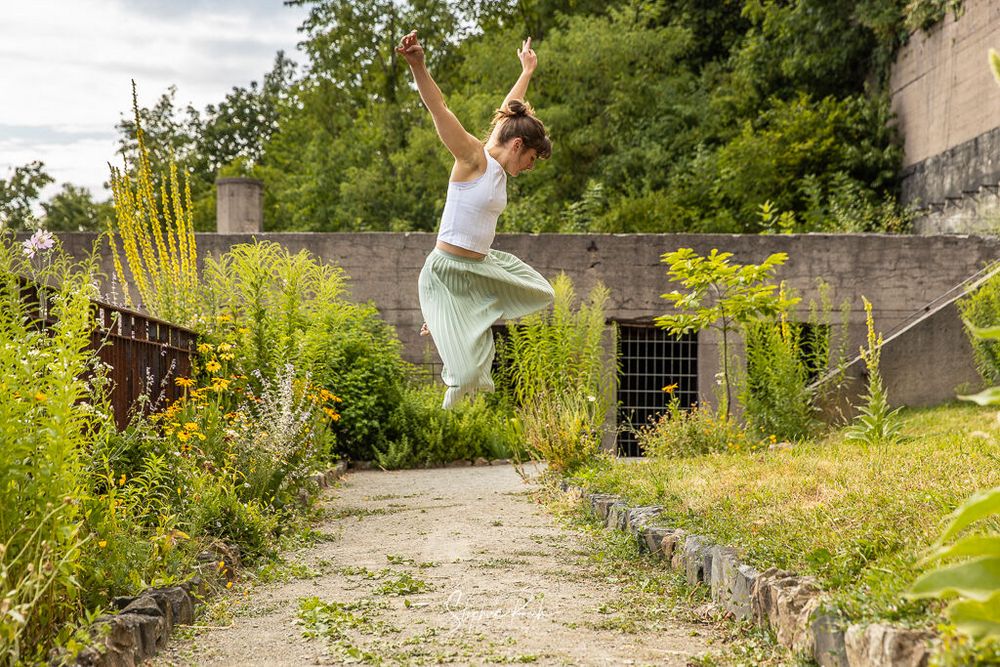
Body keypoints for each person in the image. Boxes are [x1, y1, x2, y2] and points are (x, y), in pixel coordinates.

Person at [396, 30, 555, 409]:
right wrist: (418, 65)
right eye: (531, 159)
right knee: (466, 377)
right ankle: (443, 322)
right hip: (446, 272)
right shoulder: (473, 159)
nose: (529, 168)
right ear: (518, 146)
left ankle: (457, 318)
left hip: (481, 268)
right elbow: (441, 109)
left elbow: (509, 112)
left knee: (543, 292)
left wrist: (527, 70)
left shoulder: (502, 158)